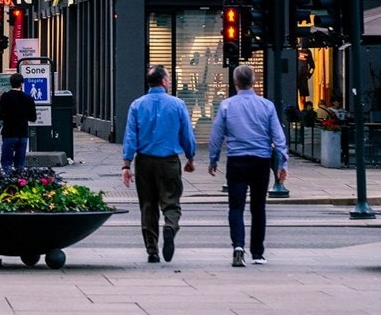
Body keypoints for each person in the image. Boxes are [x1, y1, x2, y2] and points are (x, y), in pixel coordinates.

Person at [208, 64, 288, 267]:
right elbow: (278, 137)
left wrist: (214, 159)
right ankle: (258, 253)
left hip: (237, 160)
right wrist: (282, 162)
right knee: (258, 207)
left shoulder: (226, 105)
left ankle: (238, 246)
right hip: (261, 160)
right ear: (254, 82)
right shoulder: (267, 106)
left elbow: (217, 135)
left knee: (235, 206)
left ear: (235, 82)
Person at [122, 64, 197, 264]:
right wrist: (190, 157)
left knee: (148, 206)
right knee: (171, 202)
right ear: (163, 81)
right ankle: (170, 227)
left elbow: (130, 137)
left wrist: (126, 165)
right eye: (169, 78)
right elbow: (187, 135)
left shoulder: (137, 105)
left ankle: (152, 250)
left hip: (144, 161)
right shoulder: (178, 104)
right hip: (169, 161)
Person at [0, 73, 37, 171]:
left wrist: (7, 117)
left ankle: (9, 182)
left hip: (9, 132)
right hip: (22, 133)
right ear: (21, 83)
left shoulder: (6, 97)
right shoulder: (28, 98)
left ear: (11, 83)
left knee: (6, 163)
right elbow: (33, 117)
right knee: (20, 164)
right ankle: (19, 182)